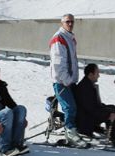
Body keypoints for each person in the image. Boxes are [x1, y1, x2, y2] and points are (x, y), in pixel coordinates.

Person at [49, 14, 87, 148]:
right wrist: (66, 80)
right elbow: (58, 63)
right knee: (70, 108)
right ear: (62, 23)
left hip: (69, 80)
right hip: (61, 81)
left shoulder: (70, 37)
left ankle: (73, 129)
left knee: (75, 107)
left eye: (72, 21)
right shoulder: (59, 38)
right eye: (67, 22)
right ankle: (70, 134)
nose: (70, 24)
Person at [76, 64, 115, 147]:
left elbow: (93, 104)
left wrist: (105, 108)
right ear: (90, 75)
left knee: (112, 107)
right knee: (110, 112)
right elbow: (90, 109)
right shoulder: (85, 87)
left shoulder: (88, 84)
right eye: (97, 73)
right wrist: (107, 114)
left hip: (88, 115)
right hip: (85, 120)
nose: (99, 75)